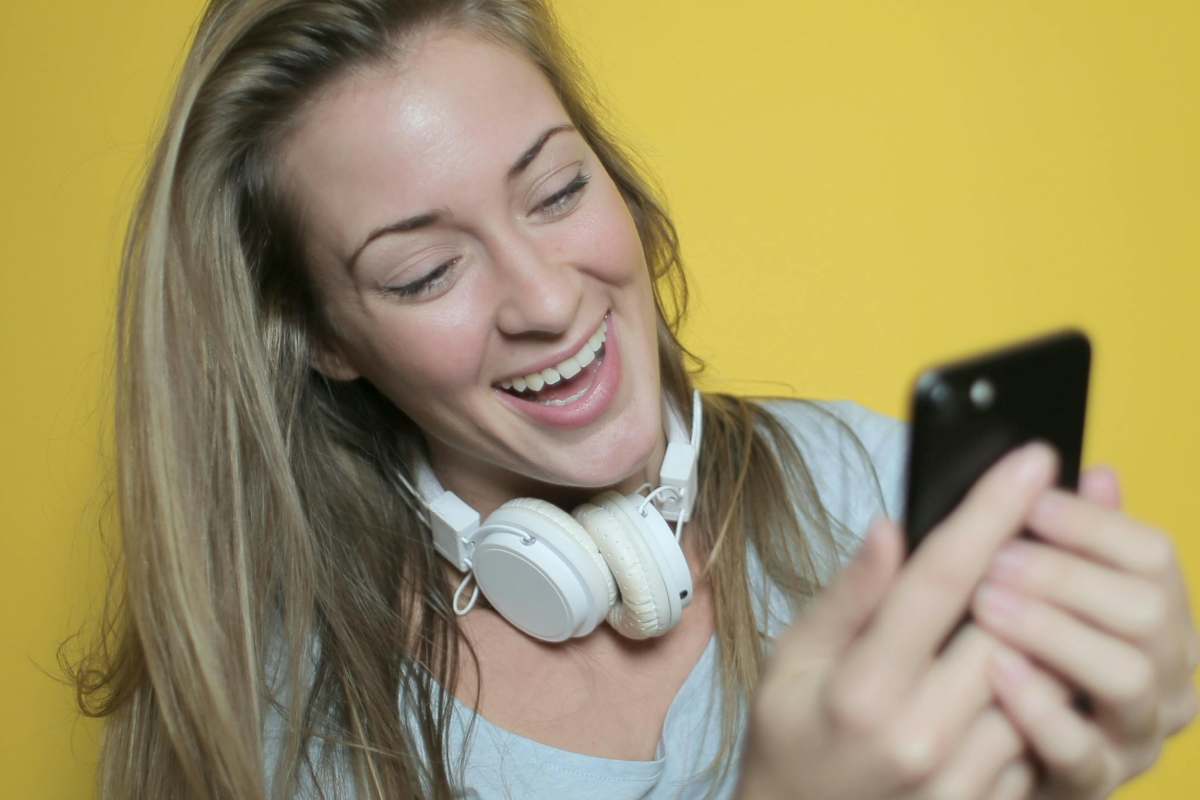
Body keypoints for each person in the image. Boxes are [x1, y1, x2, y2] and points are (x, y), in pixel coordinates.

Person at [70, 1, 1198, 798]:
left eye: (558, 190)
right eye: (426, 271)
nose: (547, 297)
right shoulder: (273, 703)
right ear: (325, 339)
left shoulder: (870, 490)